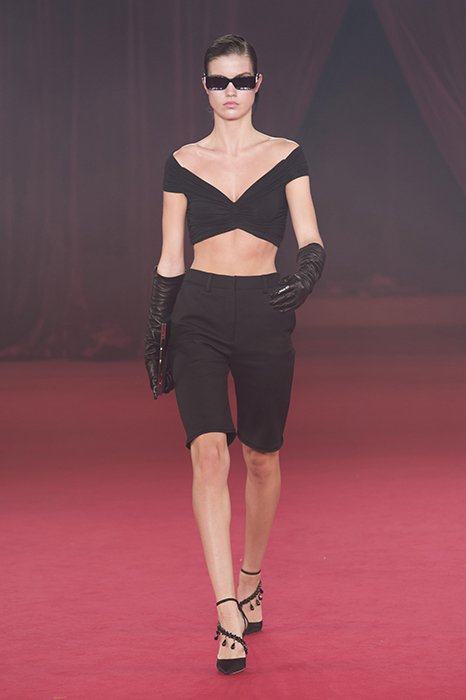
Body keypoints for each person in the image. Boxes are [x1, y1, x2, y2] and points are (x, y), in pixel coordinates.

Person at [144, 34, 326, 675]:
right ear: (204, 87)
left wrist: (306, 276)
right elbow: (171, 255)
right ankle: (226, 611)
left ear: (257, 85)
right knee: (208, 452)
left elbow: (311, 237)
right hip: (197, 312)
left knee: (262, 457)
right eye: (219, 81)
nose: (230, 91)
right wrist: (155, 328)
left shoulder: (287, 155)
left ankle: (251, 578)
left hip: (266, 309)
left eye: (240, 80)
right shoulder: (182, 162)